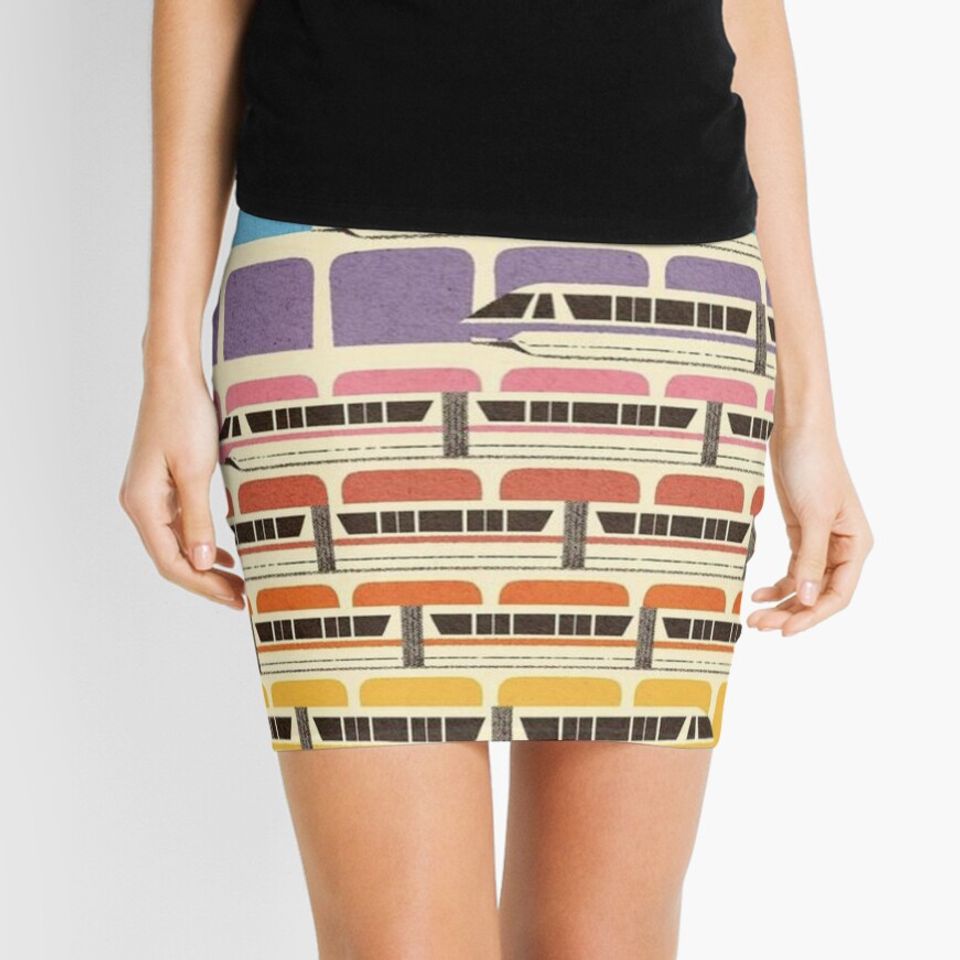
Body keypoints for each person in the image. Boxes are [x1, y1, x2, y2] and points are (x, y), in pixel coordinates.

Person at [119, 1, 873, 956]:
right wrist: (167, 358)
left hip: (668, 317)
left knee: (604, 942)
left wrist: (808, 411)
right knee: (401, 942)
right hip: (343, 308)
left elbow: (747, 18)